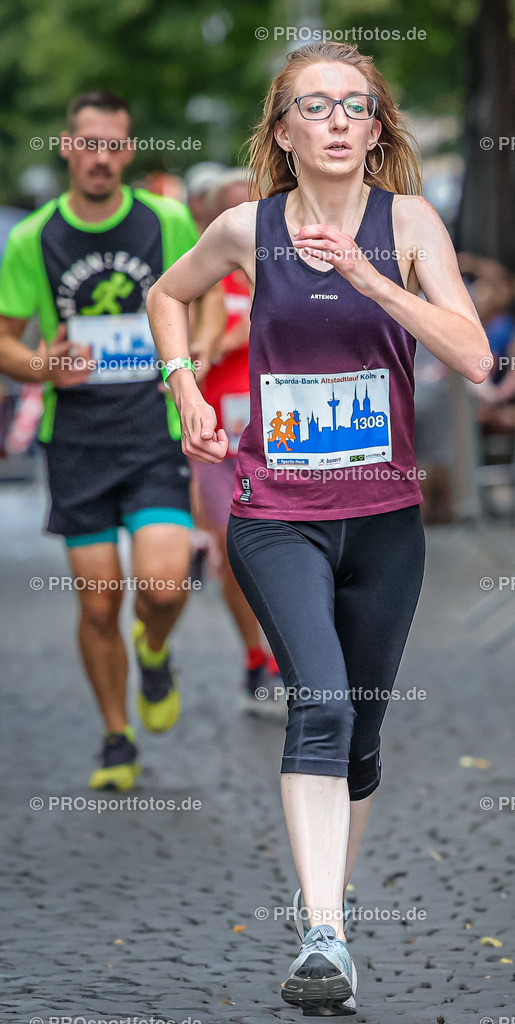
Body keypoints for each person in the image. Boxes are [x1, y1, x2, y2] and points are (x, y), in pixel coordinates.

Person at [146, 42, 491, 1016]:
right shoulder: (245, 228)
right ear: (283, 131)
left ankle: (321, 892)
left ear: (376, 129)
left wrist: (373, 280)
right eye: (314, 105)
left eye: (354, 105)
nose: (336, 119)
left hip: (383, 521)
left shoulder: (410, 222)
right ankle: (326, 937)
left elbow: (471, 356)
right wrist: (184, 392)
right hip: (275, 515)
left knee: (365, 734)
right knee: (323, 703)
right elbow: (163, 297)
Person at [0, 90, 199, 790]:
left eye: (115, 145)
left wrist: (185, 368)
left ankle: (154, 649)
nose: (102, 158)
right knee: (96, 603)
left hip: (153, 433)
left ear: (128, 150)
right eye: (90, 143)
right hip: (77, 441)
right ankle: (117, 735)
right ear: (67, 146)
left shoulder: (166, 220)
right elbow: (6, 340)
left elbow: (199, 298)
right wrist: (42, 365)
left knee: (165, 587)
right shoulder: (34, 239)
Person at [190, 171, 285, 716]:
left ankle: (291, 654)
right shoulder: (204, 277)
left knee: (288, 546)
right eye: (234, 208)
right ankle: (255, 655)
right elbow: (186, 354)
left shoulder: (290, 268)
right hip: (222, 437)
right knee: (234, 551)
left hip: (289, 433)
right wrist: (236, 335)